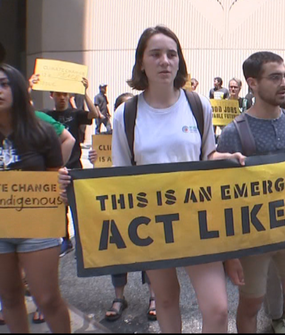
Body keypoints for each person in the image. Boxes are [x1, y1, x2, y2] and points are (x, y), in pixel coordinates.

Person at [60, 26, 244, 332]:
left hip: (198, 220)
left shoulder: (198, 105)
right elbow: (120, 176)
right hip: (151, 224)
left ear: (179, 61)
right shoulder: (126, 114)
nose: (165, 61)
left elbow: (206, 156)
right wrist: (78, 190)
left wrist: (226, 160)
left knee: (218, 309)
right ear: (141, 62)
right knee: (167, 301)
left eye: (171, 54)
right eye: (155, 54)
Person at [215, 51, 285, 334]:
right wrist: (229, 255)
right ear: (252, 83)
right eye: (274, 77)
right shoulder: (233, 132)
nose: (283, 84)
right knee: (251, 304)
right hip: (252, 239)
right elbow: (223, 197)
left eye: (284, 76)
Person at [0, 63, 71, 333]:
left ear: (18, 89)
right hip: (1, 227)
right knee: (9, 297)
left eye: (4, 84)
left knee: (48, 299)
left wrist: (61, 183)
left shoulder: (41, 130)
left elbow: (55, 179)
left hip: (37, 226)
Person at [84, 92, 157, 323]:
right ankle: (119, 297)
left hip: (144, 201)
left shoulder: (147, 136)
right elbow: (99, 175)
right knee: (118, 250)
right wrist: (95, 158)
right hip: (117, 203)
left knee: (149, 248)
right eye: (122, 108)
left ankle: (154, 296)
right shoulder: (104, 138)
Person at [46, 77, 101, 258]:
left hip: (75, 166)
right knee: (59, 206)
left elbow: (94, 115)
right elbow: (26, 114)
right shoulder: (46, 116)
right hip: (55, 167)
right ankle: (65, 240)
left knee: (79, 206)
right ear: (51, 95)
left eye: (65, 94)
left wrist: (84, 92)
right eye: (59, 94)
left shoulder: (75, 114)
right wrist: (30, 88)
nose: (62, 97)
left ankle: (83, 242)